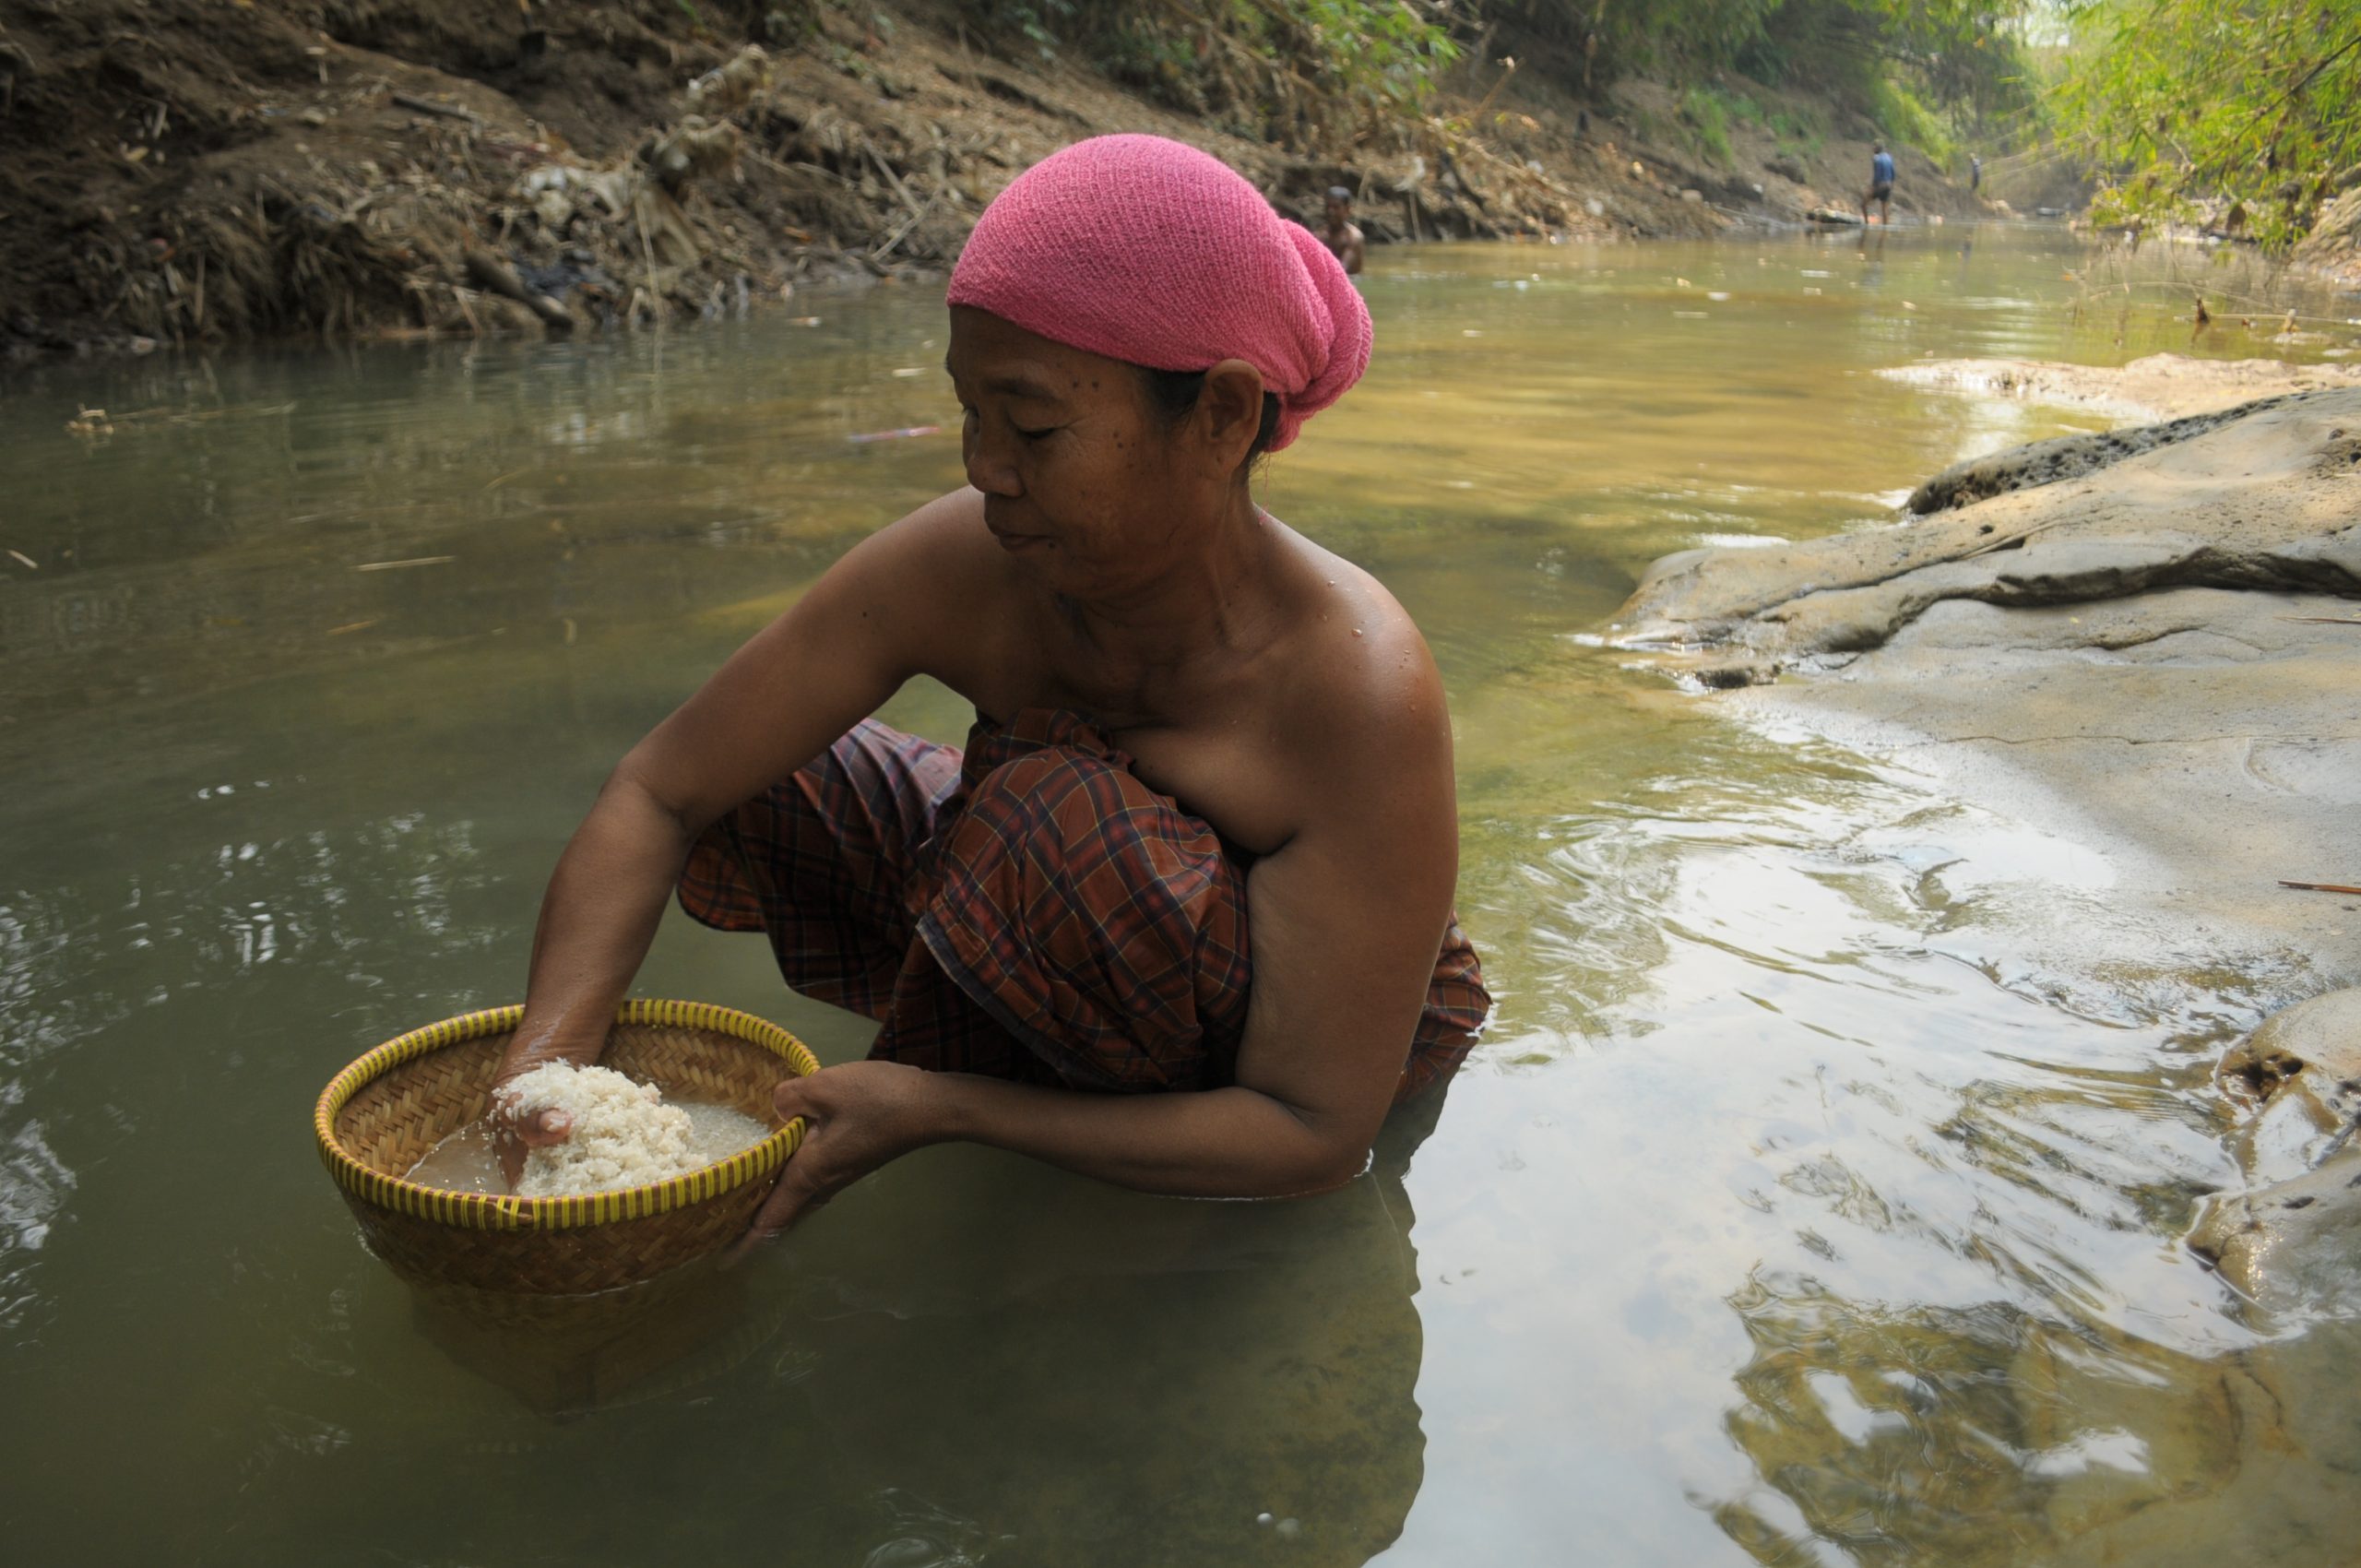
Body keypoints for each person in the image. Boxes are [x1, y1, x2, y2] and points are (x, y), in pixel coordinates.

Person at [492, 135, 1489, 1246]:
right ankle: (990, 1042)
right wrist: (545, 1077)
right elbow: (661, 789)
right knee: (782, 770)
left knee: (1055, 818)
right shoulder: (971, 560)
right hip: (1069, 917)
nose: (982, 467)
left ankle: (997, 1091)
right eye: (970, 414)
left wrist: (946, 1110)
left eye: (1032, 427)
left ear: (1219, 417)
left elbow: (1312, 1135)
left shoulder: (1355, 688)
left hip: (1298, 1061)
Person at [1320, 185, 1365, 276]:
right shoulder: (1320, 235)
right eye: (1328, 207)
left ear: (1347, 210)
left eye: (1336, 207)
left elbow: (1342, 269)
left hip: (1350, 283)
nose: (1330, 211)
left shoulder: (1353, 238)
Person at [1864, 141, 1896, 225]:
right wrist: (1891, 185)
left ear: (1877, 149)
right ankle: (1886, 229)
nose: (1872, 149)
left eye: (1874, 147)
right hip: (1888, 185)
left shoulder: (1876, 158)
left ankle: (1866, 224)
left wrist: (1873, 187)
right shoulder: (1889, 157)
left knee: (1863, 204)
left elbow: (1877, 175)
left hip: (1880, 185)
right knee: (1884, 208)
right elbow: (1893, 173)